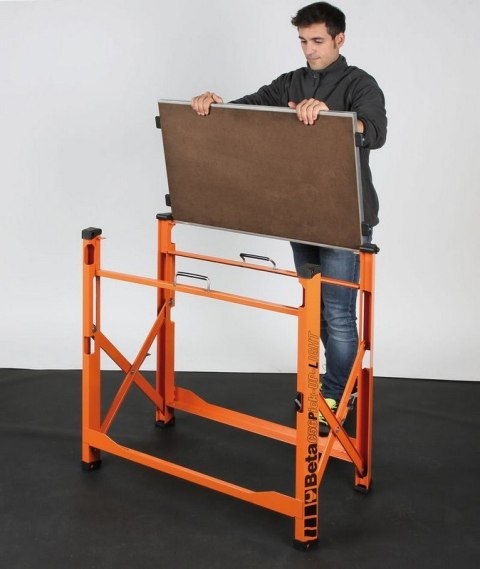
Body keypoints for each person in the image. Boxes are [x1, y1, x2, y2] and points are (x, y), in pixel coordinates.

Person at [191, 2, 387, 435]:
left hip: (344, 216)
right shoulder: (290, 82)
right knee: (316, 309)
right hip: (300, 212)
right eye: (303, 41)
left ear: (339, 39)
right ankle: (334, 385)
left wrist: (333, 117)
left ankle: (336, 394)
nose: (309, 50)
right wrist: (213, 105)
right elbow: (247, 111)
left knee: (339, 315)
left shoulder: (360, 83)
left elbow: (375, 131)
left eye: (317, 41)